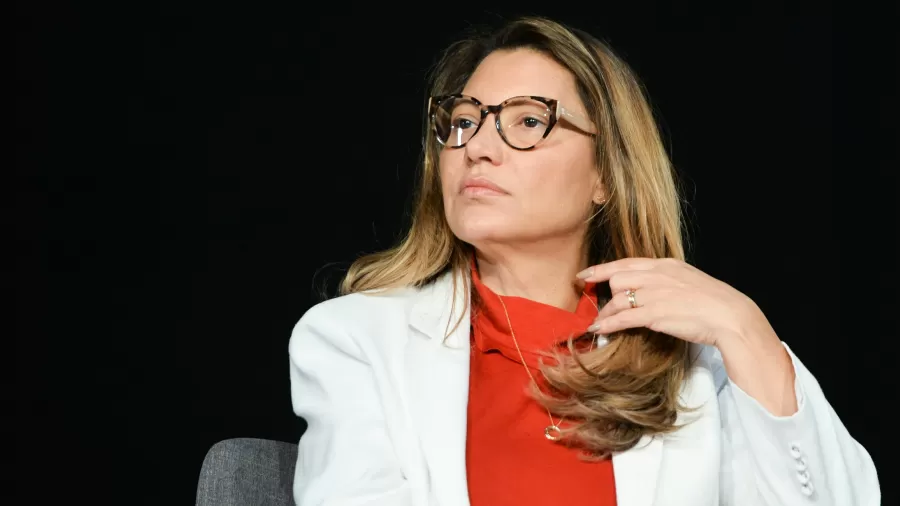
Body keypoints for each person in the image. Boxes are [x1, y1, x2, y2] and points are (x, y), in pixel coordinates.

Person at [288, 16, 879, 506]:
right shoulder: (354, 340)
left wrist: (745, 329)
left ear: (605, 176)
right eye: (464, 122)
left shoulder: (695, 360)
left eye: (527, 121)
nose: (479, 148)